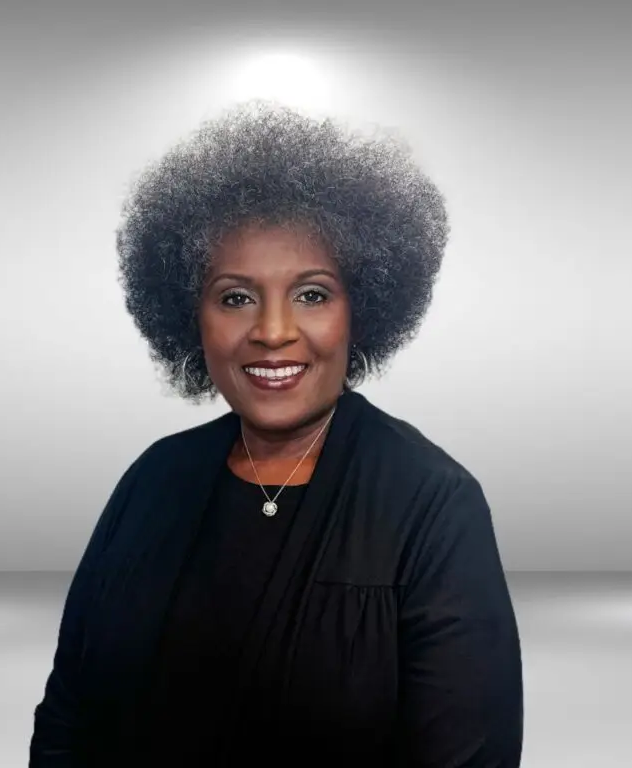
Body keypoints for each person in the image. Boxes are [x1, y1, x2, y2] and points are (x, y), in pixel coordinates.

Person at [29, 101, 523, 766]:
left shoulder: (432, 504)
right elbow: (69, 716)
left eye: (312, 294)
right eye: (236, 296)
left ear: (363, 311)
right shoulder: (154, 480)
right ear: (189, 316)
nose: (272, 330)